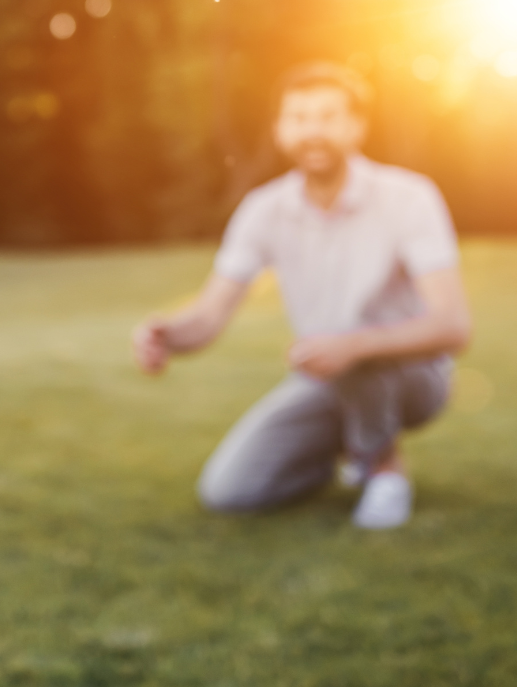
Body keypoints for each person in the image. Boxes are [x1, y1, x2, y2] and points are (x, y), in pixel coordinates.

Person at [133, 62, 471, 530]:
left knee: (356, 346)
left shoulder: (409, 198)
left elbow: (453, 327)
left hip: (415, 379)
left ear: (357, 126)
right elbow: (210, 317)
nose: (313, 131)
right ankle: (342, 450)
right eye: (299, 118)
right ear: (278, 130)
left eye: (328, 117)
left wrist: (352, 345)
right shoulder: (263, 211)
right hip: (325, 378)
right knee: (229, 492)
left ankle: (383, 467)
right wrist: (168, 334)